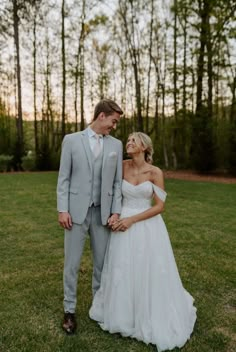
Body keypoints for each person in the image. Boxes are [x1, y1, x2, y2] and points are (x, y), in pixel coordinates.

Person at [89, 132, 197, 351]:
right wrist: (115, 214)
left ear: (144, 147)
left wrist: (132, 220)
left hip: (146, 225)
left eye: (133, 141)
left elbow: (159, 206)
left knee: (148, 268)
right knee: (122, 269)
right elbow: (110, 191)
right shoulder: (122, 166)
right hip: (121, 222)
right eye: (127, 141)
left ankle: (150, 313)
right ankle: (123, 314)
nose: (128, 143)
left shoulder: (155, 172)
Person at [57, 98, 123, 334]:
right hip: (75, 212)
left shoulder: (116, 145)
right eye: (113, 121)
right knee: (72, 264)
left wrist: (116, 211)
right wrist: (62, 209)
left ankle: (99, 306)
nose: (114, 127)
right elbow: (64, 178)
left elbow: (116, 184)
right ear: (101, 116)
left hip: (103, 214)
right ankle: (69, 310)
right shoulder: (72, 140)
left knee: (101, 264)